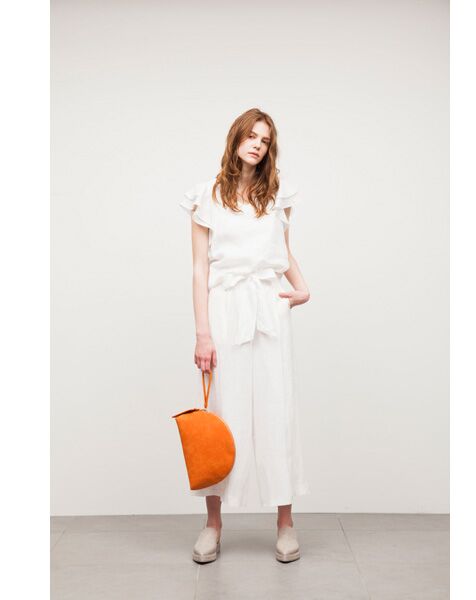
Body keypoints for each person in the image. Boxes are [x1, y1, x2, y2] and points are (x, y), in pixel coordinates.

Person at [179, 108, 311, 563]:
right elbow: (199, 269)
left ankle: (285, 523)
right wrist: (203, 333)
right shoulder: (206, 196)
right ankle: (213, 525)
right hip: (224, 309)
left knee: (278, 408)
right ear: (236, 138)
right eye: (251, 135)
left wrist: (303, 288)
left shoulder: (278, 194)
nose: (257, 144)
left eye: (265, 139)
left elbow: (283, 250)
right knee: (222, 414)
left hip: (269, 307)